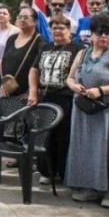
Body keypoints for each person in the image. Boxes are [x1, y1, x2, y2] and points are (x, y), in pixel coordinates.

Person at [64, 14, 109, 208]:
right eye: (100, 32)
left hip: (107, 110)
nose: (104, 36)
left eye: (108, 33)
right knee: (86, 148)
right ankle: (89, 187)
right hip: (84, 108)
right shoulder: (82, 53)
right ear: (91, 34)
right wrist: (74, 86)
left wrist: (101, 90)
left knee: (107, 147)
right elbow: (69, 78)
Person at [27, 15, 82, 185]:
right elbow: (34, 70)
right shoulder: (46, 47)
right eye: (54, 28)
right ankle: (46, 171)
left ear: (69, 30)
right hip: (46, 97)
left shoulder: (78, 49)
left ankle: (65, 172)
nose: (57, 31)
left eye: (61, 28)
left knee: (64, 137)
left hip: (66, 98)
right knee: (47, 135)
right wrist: (33, 92)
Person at [0, 8, 42, 98]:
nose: (22, 20)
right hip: (7, 91)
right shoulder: (12, 38)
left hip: (25, 95)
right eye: (20, 17)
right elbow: (3, 61)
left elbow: (40, 70)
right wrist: (4, 85)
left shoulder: (40, 42)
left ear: (35, 21)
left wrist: (31, 92)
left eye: (26, 17)